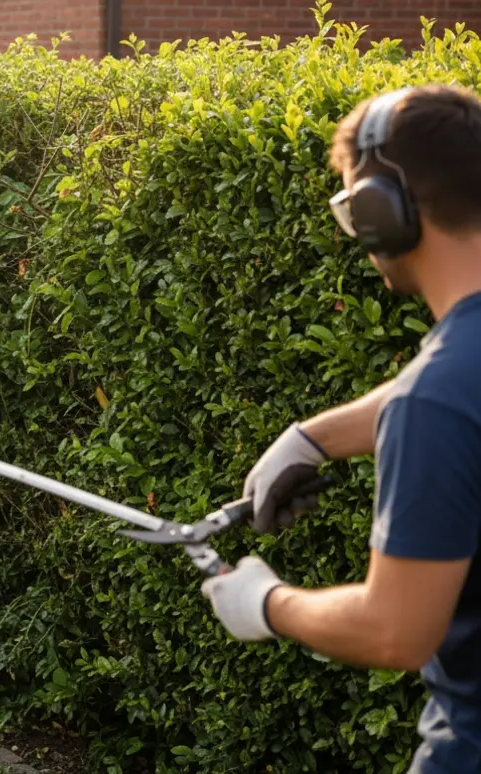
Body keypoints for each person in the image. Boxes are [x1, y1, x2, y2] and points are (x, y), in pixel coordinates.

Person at [201, 85, 481, 772]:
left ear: (383, 212)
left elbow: (396, 632)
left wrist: (266, 603)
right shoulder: (446, 387)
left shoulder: (437, 399)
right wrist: (316, 436)